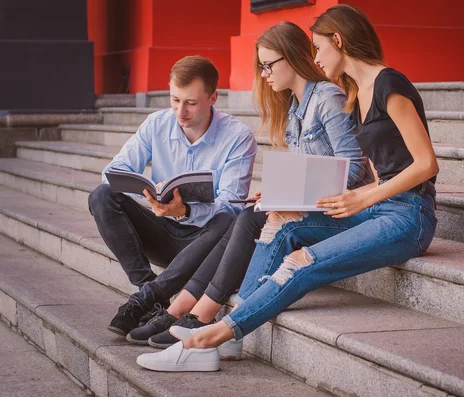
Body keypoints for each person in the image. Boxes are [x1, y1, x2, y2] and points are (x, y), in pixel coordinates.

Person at [136, 4, 439, 372]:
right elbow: (378, 170)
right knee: (281, 222)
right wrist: (295, 193)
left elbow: (425, 165)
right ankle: (232, 339)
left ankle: (207, 338)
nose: (315, 58)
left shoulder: (390, 84)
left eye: (318, 47)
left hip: (410, 216)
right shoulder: (356, 93)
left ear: (338, 41)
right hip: (378, 207)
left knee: (301, 262)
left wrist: (363, 196)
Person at [125, 21, 372, 353]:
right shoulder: (296, 107)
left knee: (246, 218)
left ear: (293, 58)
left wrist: (296, 195)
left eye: (269, 64)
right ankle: (180, 309)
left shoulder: (327, 97)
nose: (265, 73)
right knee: (246, 212)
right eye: (261, 65)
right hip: (318, 205)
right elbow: (310, 170)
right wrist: (280, 192)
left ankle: (198, 313)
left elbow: (354, 168)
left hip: (344, 212)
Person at [88, 55, 257, 337]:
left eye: (191, 102)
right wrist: (151, 193)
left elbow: (231, 204)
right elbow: (112, 172)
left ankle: (145, 299)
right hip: (163, 232)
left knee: (230, 216)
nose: (181, 112)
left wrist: (185, 211)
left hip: (208, 245)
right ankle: (149, 293)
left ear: (213, 97)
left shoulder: (238, 137)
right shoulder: (157, 124)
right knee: (102, 196)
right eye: (175, 100)